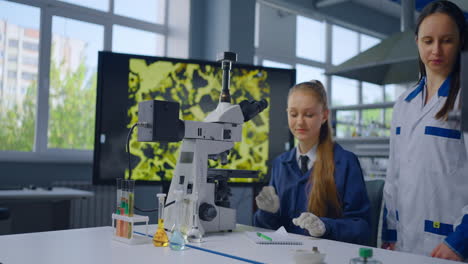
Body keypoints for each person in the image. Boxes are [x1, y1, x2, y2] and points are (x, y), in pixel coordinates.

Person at [381, 0, 468, 261]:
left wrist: (460, 241)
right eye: (428, 40)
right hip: (405, 242)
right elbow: (393, 178)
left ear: (461, 42)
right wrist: (390, 236)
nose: (436, 50)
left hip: (451, 245)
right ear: (417, 41)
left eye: (447, 40)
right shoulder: (404, 104)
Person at [253, 80, 371, 245]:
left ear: (324, 116)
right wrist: (267, 213)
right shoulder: (280, 164)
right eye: (293, 114)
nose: (300, 122)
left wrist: (325, 227)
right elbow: (267, 231)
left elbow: (362, 228)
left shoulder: (345, 162)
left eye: (308, 115)